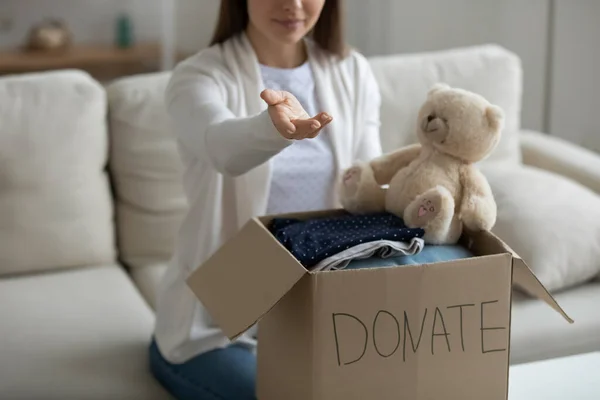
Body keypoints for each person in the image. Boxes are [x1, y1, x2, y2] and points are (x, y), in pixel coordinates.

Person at [149, 0, 383, 399]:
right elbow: (220, 147)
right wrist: (273, 130)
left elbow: (370, 188)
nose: (292, 5)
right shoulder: (198, 76)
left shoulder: (352, 71)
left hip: (314, 312)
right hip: (217, 324)